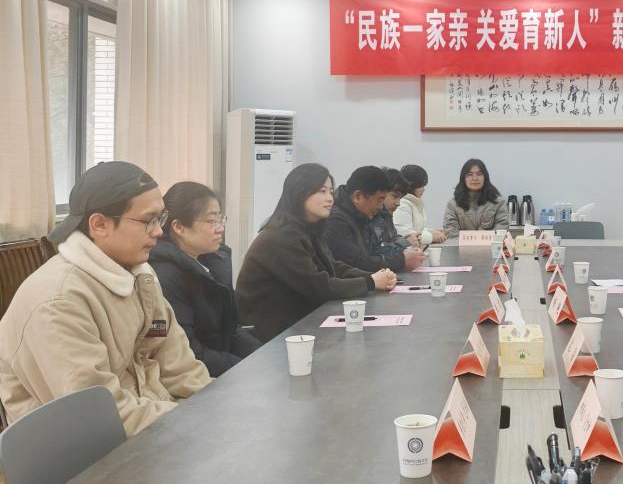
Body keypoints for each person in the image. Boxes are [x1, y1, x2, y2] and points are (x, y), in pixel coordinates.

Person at [0, 161, 211, 436]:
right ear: (99, 225)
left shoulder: (141, 276)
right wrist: (194, 423)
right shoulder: (57, 303)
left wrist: (216, 410)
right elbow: (100, 418)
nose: (159, 231)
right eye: (148, 220)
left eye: (160, 218)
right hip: (84, 452)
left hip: (153, 428)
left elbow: (181, 368)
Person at [237, 164, 396, 342]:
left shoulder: (309, 229)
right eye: (322, 191)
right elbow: (319, 287)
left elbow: (333, 266)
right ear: (300, 192)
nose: (330, 199)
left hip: (297, 323)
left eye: (331, 192)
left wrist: (374, 276)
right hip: (271, 335)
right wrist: (370, 282)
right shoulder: (282, 237)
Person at [149, 182, 261, 377]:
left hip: (221, 369)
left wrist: (264, 355)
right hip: (195, 379)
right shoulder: (165, 277)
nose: (220, 229)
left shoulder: (210, 262)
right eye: (211, 221)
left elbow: (231, 331)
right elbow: (190, 353)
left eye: (220, 219)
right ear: (178, 227)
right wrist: (247, 369)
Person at [323, 166, 426, 273]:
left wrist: (403, 253)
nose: (381, 207)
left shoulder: (363, 214)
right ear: (358, 196)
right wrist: (401, 260)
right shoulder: (335, 220)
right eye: (380, 200)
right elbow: (356, 262)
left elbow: (375, 251)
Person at [443, 159, 509, 239]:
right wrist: (470, 242)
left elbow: (502, 228)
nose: (475, 178)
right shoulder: (453, 204)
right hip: (460, 246)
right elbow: (450, 231)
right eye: (470, 174)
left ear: (485, 177)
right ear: (463, 178)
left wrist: (481, 240)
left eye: (479, 174)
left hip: (490, 246)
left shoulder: (498, 202)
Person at [394, 164, 447, 246]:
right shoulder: (402, 204)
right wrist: (432, 236)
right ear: (412, 185)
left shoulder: (414, 202)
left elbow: (417, 229)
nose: (424, 189)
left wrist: (432, 231)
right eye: (422, 186)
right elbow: (404, 234)